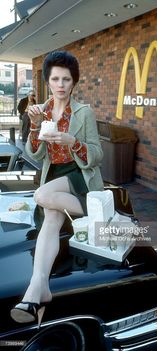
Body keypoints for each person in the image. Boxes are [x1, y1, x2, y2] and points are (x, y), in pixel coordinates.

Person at [10, 51, 104, 327]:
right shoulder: (42, 110)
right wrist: (34, 128)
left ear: (74, 82)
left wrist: (71, 141)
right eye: (55, 79)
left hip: (79, 175)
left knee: (42, 196)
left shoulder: (84, 112)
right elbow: (36, 156)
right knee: (51, 217)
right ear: (48, 81)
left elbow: (97, 155)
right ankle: (38, 288)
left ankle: (93, 209)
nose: (61, 84)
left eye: (66, 79)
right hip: (55, 174)